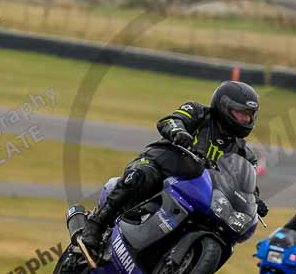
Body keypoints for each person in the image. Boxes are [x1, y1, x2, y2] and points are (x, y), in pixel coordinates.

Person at [80, 80, 269, 260]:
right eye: (241, 113)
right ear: (223, 106)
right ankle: (96, 224)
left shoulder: (245, 153)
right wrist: (179, 132)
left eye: (249, 114)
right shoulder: (198, 113)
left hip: (198, 191)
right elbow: (170, 121)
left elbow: (248, 182)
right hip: (165, 163)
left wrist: (255, 200)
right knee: (140, 176)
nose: (246, 119)